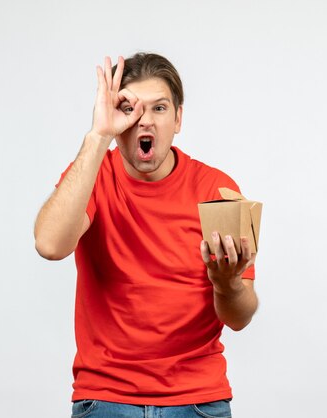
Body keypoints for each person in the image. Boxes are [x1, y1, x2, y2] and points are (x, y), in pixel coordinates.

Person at [34, 53, 258, 418]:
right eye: (131, 109)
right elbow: (49, 245)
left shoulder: (217, 188)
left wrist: (227, 284)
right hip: (105, 397)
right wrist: (98, 134)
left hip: (197, 399)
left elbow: (240, 317)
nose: (145, 122)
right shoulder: (92, 178)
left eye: (159, 108)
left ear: (178, 118)